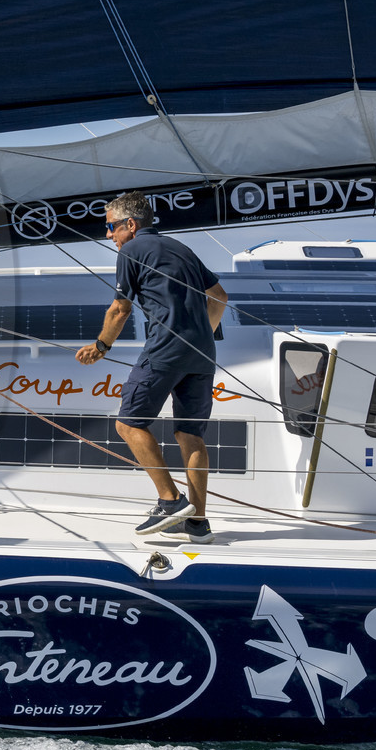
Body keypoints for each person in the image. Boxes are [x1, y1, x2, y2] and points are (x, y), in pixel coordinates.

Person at [76, 192, 229, 542]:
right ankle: (198, 523)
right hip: (203, 354)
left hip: (165, 348)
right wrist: (201, 333)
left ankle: (171, 501)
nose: (108, 235)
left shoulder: (131, 251)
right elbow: (219, 295)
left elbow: (120, 309)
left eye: (111, 227)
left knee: (128, 424)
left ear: (131, 225)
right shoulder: (181, 249)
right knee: (190, 435)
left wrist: (101, 346)